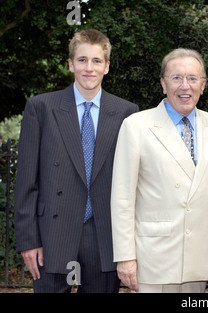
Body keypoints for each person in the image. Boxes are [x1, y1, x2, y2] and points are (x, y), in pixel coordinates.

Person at [14, 29, 139, 293]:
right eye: (82, 60)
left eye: (96, 61)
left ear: (106, 66)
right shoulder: (41, 108)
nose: (89, 68)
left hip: (103, 235)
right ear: (71, 64)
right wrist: (28, 240)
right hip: (51, 235)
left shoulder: (127, 113)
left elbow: (132, 183)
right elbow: (26, 182)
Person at [111, 48, 208, 293]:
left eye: (192, 78)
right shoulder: (136, 126)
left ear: (203, 85)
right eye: (176, 78)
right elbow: (122, 199)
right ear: (163, 83)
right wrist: (125, 257)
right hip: (153, 259)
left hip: (198, 256)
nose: (185, 86)